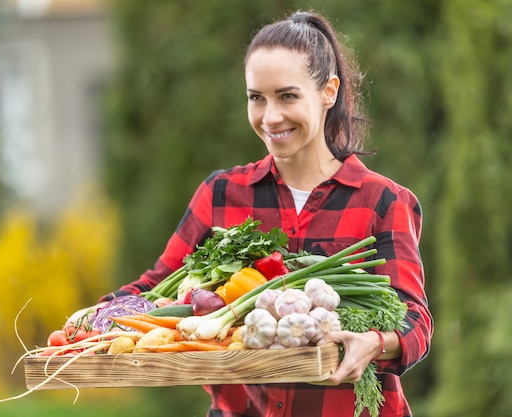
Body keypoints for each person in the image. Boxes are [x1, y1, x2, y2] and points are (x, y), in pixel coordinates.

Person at [72, 10, 433, 417]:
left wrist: (374, 342)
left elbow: (414, 321)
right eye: (256, 98)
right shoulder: (222, 194)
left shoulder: (382, 201)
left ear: (328, 92)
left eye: (287, 96)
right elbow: (156, 290)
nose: (270, 117)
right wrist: (94, 318)